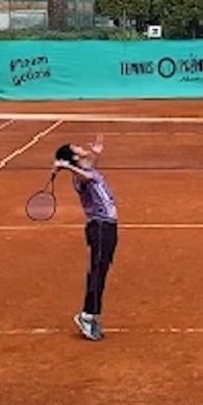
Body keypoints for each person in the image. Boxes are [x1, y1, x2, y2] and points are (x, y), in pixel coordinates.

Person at [54, 134, 117, 342]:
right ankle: (87, 315)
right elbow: (86, 178)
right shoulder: (79, 177)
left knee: (102, 269)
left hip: (108, 227)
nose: (83, 148)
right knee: (98, 270)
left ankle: (91, 314)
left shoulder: (86, 169)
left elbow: (89, 168)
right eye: (77, 148)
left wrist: (96, 154)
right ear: (73, 157)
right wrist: (66, 167)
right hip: (99, 227)